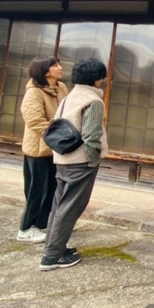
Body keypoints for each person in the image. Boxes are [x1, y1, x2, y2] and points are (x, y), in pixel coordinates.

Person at [39, 57, 109, 271]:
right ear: (97, 79)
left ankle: (54, 247)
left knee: (59, 205)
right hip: (80, 161)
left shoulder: (69, 96)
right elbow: (92, 135)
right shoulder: (93, 101)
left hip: (62, 157)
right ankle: (52, 256)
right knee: (70, 207)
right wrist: (92, 160)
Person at [17, 56, 68, 243]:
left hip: (55, 148)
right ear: (46, 71)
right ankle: (25, 228)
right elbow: (34, 121)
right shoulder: (34, 92)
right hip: (38, 150)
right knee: (36, 190)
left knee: (53, 188)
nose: (60, 68)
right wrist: (58, 137)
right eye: (55, 65)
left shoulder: (61, 88)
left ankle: (42, 224)